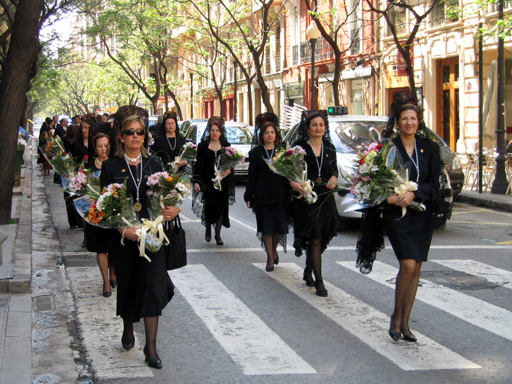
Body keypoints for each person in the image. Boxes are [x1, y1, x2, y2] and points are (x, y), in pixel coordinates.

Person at [100, 112, 178, 369]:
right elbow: (104, 207)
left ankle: (151, 346)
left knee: (154, 285)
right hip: (124, 240)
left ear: (145, 136)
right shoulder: (111, 167)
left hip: (152, 236)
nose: (136, 136)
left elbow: (168, 197)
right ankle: (128, 327)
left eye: (140, 132)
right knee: (130, 284)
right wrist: (124, 231)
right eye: (130, 132)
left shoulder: (154, 163)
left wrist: (173, 209)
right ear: (121, 137)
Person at [380, 103, 441, 342]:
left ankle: (406, 321)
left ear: (419, 122)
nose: (409, 122)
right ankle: (396, 316)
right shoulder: (388, 148)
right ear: (397, 123)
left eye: (413, 118)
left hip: (421, 214)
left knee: (416, 268)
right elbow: (378, 181)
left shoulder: (429, 148)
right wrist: (390, 197)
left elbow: (434, 184)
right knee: (407, 265)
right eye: (404, 119)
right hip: (398, 215)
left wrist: (415, 194)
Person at [289, 110, 338, 297]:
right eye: (314, 125)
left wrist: (333, 178)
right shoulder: (299, 146)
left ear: (325, 128)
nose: (318, 128)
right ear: (308, 128)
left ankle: (308, 269)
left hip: (325, 197)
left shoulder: (329, 147)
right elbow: (291, 172)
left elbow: (334, 170)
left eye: (321, 125)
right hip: (306, 197)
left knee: (322, 237)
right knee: (315, 237)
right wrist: (295, 184)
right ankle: (319, 281)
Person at [244, 116, 289, 272]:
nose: (270, 135)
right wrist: (249, 196)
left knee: (280, 228)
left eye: (272, 132)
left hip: (281, 195)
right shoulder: (256, 153)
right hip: (263, 195)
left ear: (276, 135)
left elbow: (289, 173)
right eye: (266, 132)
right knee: (266, 228)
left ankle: (274, 249)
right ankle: (270, 257)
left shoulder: (283, 152)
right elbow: (252, 176)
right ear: (261, 135)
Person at [192, 116, 234, 245]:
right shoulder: (203, 146)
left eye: (217, 130)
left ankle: (218, 234)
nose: (214, 132)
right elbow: (198, 165)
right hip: (208, 181)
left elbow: (231, 163)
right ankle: (209, 228)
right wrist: (197, 181)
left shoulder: (227, 146)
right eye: (212, 130)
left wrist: (229, 170)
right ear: (209, 132)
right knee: (209, 205)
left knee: (221, 207)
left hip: (222, 181)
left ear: (221, 132)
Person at [85, 133, 117, 297]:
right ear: (94, 147)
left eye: (106, 145)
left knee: (115, 247)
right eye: (100, 146)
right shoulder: (89, 167)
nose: (103, 149)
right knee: (101, 248)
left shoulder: (115, 164)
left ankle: (113, 273)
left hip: (115, 213)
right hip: (96, 214)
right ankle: (106, 281)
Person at [62, 124, 81, 229]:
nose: (74, 139)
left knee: (78, 196)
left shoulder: (79, 143)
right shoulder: (63, 142)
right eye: (72, 137)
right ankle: (72, 222)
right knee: (69, 197)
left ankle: (79, 220)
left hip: (78, 173)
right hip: (67, 174)